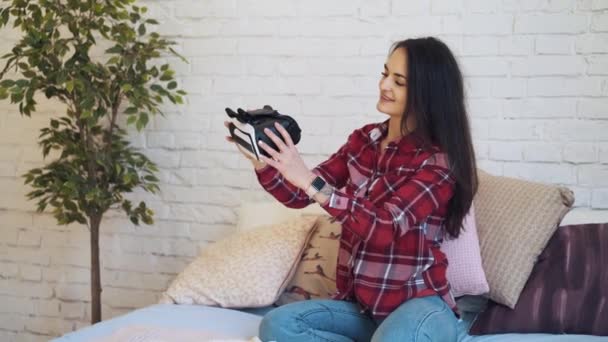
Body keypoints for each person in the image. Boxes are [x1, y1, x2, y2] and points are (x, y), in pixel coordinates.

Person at [224, 36, 478, 342]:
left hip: (419, 305)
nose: (385, 85)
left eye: (399, 81)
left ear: (427, 93)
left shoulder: (439, 161)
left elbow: (386, 226)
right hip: (362, 310)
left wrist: (309, 180)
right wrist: (264, 163)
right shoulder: (364, 140)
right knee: (277, 325)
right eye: (385, 74)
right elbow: (297, 194)